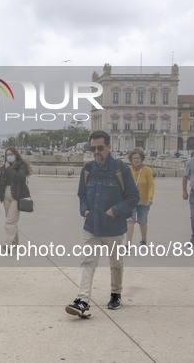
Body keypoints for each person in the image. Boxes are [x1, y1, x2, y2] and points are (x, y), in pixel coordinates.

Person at [65, 131, 139, 318]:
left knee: (115, 263)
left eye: (100, 148)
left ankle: (116, 293)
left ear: (109, 147)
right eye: (93, 148)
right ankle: (82, 300)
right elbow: (82, 195)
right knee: (87, 262)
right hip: (91, 226)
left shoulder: (120, 169)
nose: (96, 151)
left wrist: (115, 210)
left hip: (114, 228)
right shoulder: (88, 169)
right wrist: (85, 210)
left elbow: (133, 196)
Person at [0, 146, 31, 247]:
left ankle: (7, 243)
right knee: (12, 219)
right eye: (7, 155)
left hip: (17, 195)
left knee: (10, 220)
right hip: (6, 195)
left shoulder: (21, 166)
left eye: (11, 154)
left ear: (15, 155)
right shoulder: (4, 166)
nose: (9, 157)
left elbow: (19, 178)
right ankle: (15, 242)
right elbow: (0, 182)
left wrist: (9, 169)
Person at [126, 148, 155, 246]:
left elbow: (151, 185)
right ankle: (128, 244)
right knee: (130, 221)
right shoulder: (128, 169)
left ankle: (143, 240)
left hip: (144, 200)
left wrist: (150, 198)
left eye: (138, 158)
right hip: (130, 200)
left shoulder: (147, 170)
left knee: (142, 221)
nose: (136, 160)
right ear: (131, 159)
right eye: (134, 158)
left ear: (141, 158)